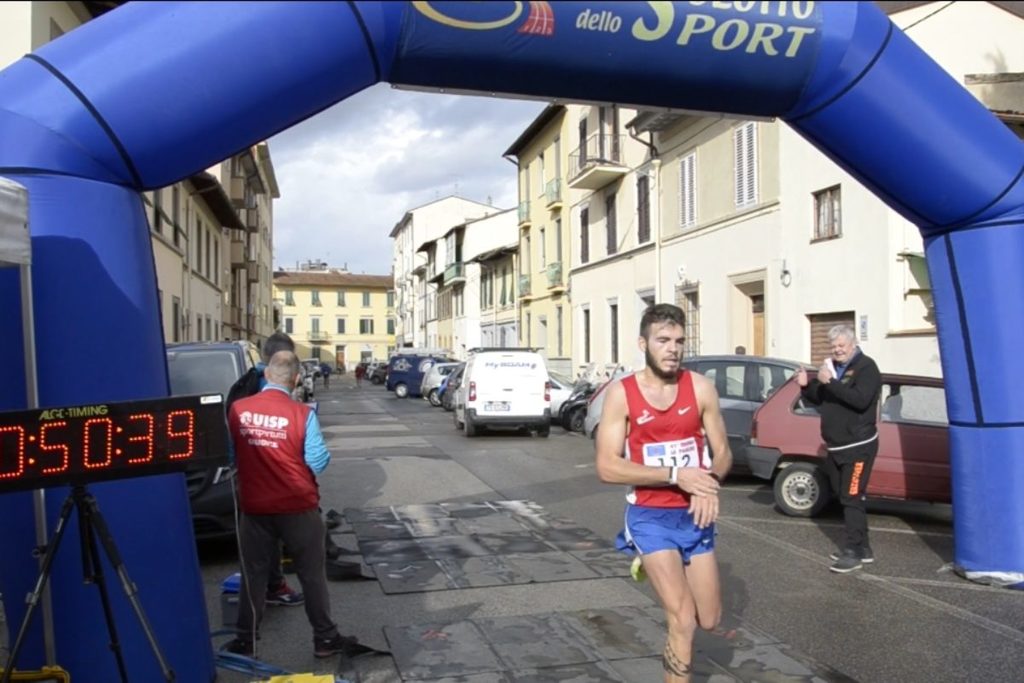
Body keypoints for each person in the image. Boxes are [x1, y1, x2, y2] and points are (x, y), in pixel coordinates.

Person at [596, 304, 732, 683]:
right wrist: (676, 475)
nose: (673, 348)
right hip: (650, 516)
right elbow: (607, 466)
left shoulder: (701, 388)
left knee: (709, 618)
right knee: (683, 620)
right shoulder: (622, 394)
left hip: (694, 516)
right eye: (663, 340)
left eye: (679, 341)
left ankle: (657, 565)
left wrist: (709, 482)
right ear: (644, 344)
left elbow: (723, 452)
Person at [225, 351, 374, 659]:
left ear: (267, 376)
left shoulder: (238, 410)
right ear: (295, 380)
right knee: (311, 574)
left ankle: (245, 640)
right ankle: (325, 638)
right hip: (297, 505)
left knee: (253, 573)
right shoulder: (302, 414)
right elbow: (318, 460)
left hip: (254, 507)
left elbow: (231, 455)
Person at [226, 332, 304, 608]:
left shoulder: (246, 380)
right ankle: (274, 588)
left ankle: (251, 620)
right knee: (272, 542)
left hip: (248, 479)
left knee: (257, 546)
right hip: (273, 480)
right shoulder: (265, 385)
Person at [795, 324, 881, 574]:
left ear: (853, 345)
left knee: (851, 497)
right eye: (833, 347)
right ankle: (864, 549)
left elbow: (859, 400)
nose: (837, 350)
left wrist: (830, 381)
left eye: (841, 346)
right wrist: (805, 385)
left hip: (858, 446)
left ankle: (852, 551)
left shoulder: (867, 368)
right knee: (841, 494)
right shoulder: (833, 368)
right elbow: (821, 397)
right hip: (836, 446)